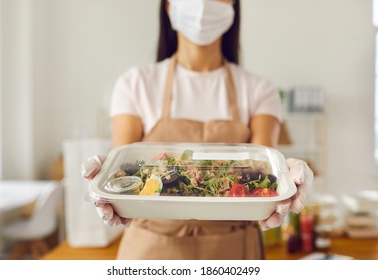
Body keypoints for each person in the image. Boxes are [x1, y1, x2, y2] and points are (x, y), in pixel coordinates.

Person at [81, 0, 313, 259]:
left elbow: (266, 173)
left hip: (234, 250)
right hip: (151, 250)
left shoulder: (260, 90)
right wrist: (109, 177)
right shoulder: (135, 85)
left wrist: (283, 176)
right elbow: (123, 174)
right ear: (168, 5)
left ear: (234, 5)